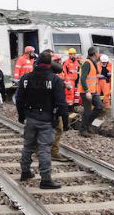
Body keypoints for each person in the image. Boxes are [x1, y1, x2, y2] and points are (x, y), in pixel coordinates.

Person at [16, 50, 67, 189]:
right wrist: (65, 122)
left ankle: (25, 171)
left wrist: (21, 115)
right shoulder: (55, 80)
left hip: (31, 117)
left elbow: (19, 99)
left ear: (37, 62)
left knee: (28, 146)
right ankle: (45, 180)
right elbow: (61, 103)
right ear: (50, 63)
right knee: (44, 149)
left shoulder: (26, 78)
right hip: (46, 119)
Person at [50, 52, 71, 163]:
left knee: (43, 130)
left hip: (43, 108)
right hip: (54, 107)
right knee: (58, 129)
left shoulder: (45, 74)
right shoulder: (55, 77)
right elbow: (60, 100)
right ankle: (53, 152)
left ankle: (40, 150)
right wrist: (66, 120)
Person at [78, 47, 103, 137]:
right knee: (87, 111)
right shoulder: (87, 63)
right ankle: (83, 130)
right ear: (95, 53)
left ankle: (87, 124)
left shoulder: (93, 63)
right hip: (86, 92)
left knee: (99, 107)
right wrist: (87, 91)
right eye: (98, 53)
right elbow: (83, 78)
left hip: (93, 91)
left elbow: (91, 76)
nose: (99, 54)